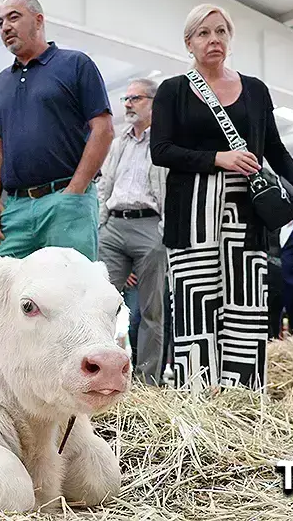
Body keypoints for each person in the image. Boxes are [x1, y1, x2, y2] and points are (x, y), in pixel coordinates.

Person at [150, 4, 293, 392]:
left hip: (246, 215)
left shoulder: (255, 90)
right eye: (204, 33)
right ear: (189, 43)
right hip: (192, 216)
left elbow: (274, 146)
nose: (214, 40)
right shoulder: (173, 90)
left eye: (221, 31)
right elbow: (161, 150)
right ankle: (198, 397)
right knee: (195, 305)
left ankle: (243, 397)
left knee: (247, 307)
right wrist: (217, 158)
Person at [0, 0, 113, 261]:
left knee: (72, 293)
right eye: (0, 22)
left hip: (66, 200)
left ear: (39, 20)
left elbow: (103, 129)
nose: (5, 27)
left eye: (13, 17)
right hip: (15, 207)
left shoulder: (75, 64)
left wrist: (75, 191)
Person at [97, 78, 167, 386]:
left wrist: (163, 229)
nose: (127, 104)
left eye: (135, 98)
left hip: (149, 224)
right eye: (126, 99)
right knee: (97, 302)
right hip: (113, 224)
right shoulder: (119, 142)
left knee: (153, 309)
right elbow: (105, 183)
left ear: (153, 102)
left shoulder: (165, 140)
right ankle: (96, 373)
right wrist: (101, 223)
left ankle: (147, 382)